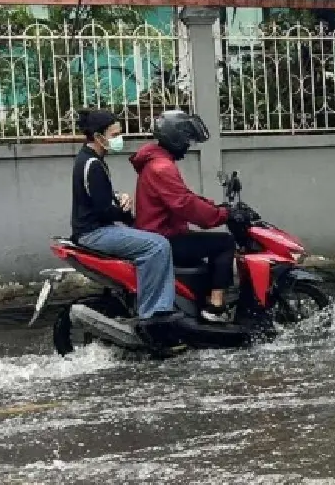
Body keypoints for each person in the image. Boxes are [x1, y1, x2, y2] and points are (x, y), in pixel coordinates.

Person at [71, 108, 176, 328]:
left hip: (94, 229)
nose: (119, 139)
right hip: (94, 233)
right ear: (99, 137)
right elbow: (102, 210)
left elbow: (98, 196)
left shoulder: (90, 159)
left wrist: (118, 197)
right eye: (114, 135)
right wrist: (126, 213)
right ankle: (153, 316)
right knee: (158, 245)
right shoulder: (92, 164)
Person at [132, 111, 235, 322]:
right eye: (187, 139)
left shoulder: (158, 162)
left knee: (205, 259)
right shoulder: (162, 167)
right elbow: (185, 204)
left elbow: (184, 197)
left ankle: (197, 305)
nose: (188, 145)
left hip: (163, 232)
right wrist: (223, 214)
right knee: (224, 243)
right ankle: (215, 309)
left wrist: (214, 206)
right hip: (165, 237)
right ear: (175, 137)